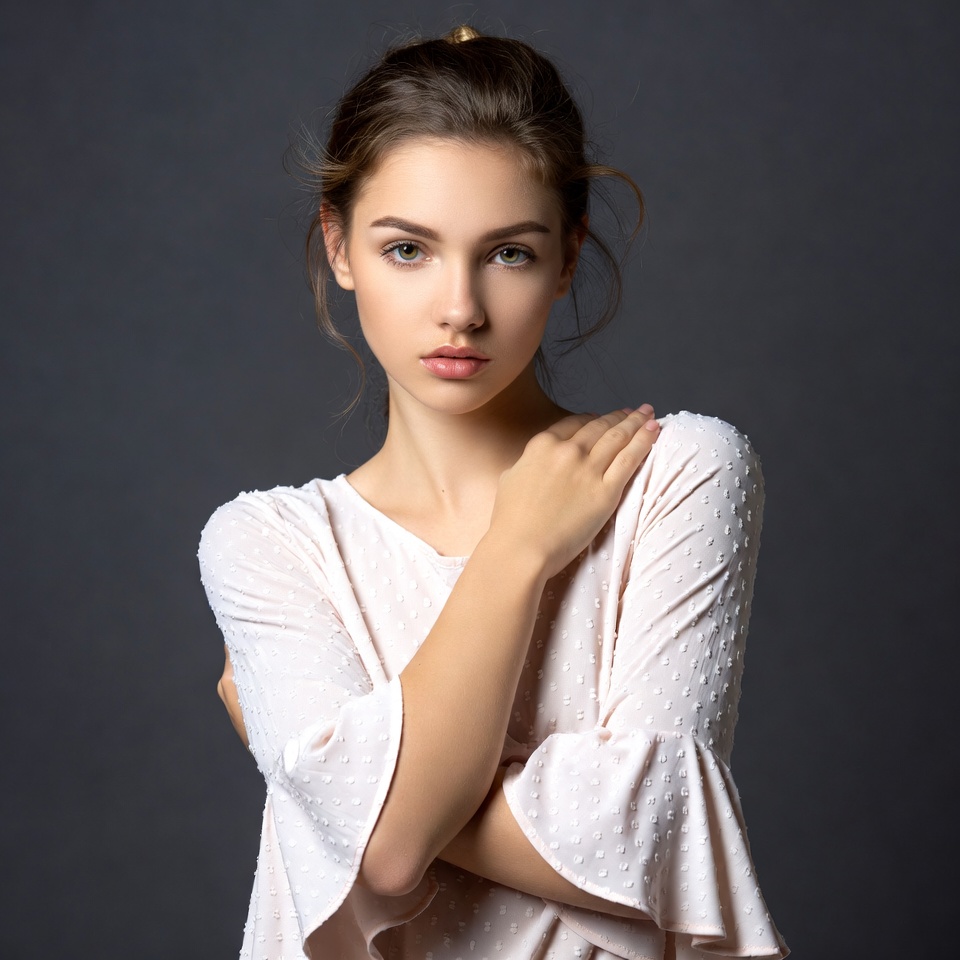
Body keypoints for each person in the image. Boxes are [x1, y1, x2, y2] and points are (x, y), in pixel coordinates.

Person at [199, 25, 788, 960]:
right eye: (408, 250)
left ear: (566, 256)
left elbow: (648, 838)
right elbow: (394, 859)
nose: (460, 306)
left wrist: (338, 786)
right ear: (339, 245)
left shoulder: (674, 472)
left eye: (508, 252)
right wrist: (520, 549)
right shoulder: (269, 543)